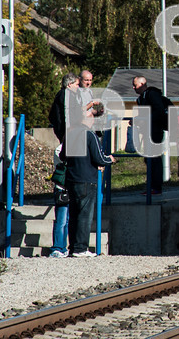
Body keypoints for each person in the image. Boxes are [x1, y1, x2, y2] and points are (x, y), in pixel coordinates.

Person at [64, 103, 115, 257]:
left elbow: (62, 156)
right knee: (84, 215)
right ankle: (81, 248)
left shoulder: (70, 134)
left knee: (73, 215)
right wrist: (110, 159)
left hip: (72, 179)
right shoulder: (89, 134)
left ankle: (73, 247)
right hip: (87, 179)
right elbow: (99, 158)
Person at [47, 73, 79, 258]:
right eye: (76, 84)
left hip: (64, 186)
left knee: (65, 218)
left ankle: (62, 247)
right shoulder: (66, 97)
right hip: (64, 187)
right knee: (62, 218)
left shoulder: (62, 97)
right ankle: (58, 247)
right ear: (69, 85)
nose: (78, 87)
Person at [132, 75, 169, 194]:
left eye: (135, 85)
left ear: (142, 84)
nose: (133, 87)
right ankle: (152, 186)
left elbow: (159, 111)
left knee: (154, 159)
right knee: (149, 159)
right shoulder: (142, 98)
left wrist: (144, 119)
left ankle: (156, 187)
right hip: (149, 131)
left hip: (155, 131)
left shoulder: (151, 94)